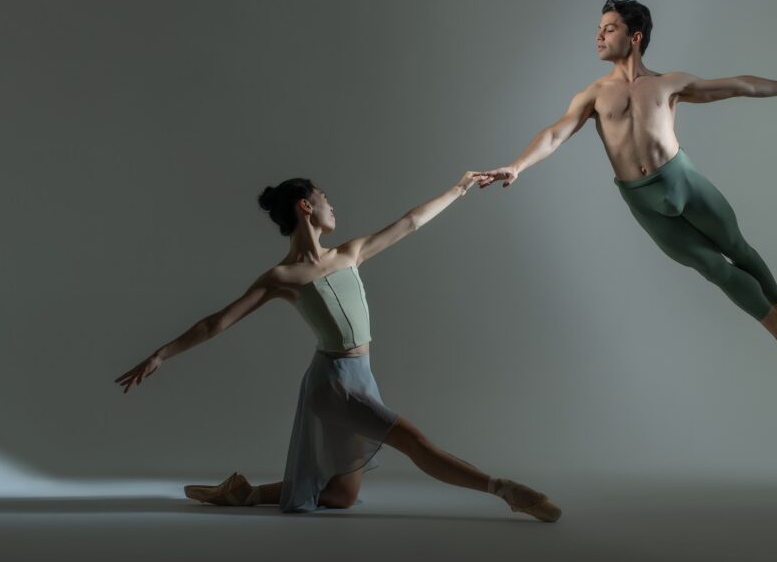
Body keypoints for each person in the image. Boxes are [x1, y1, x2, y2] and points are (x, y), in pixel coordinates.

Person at [114, 172, 561, 522]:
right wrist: (160, 354)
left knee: (341, 496)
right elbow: (218, 321)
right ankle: (506, 490)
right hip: (334, 384)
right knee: (416, 442)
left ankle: (244, 492)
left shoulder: (349, 253)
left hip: (362, 376)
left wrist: (459, 187)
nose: (333, 205)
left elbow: (410, 222)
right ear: (306, 206)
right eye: (326, 198)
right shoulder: (282, 278)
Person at [476, 0, 777, 357]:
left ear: (635, 37)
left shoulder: (669, 84)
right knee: (712, 266)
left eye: (609, 29)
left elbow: (740, 85)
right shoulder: (593, 95)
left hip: (684, 182)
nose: (599, 37)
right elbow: (555, 133)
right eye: (598, 30)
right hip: (643, 199)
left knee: (737, 248)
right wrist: (518, 165)